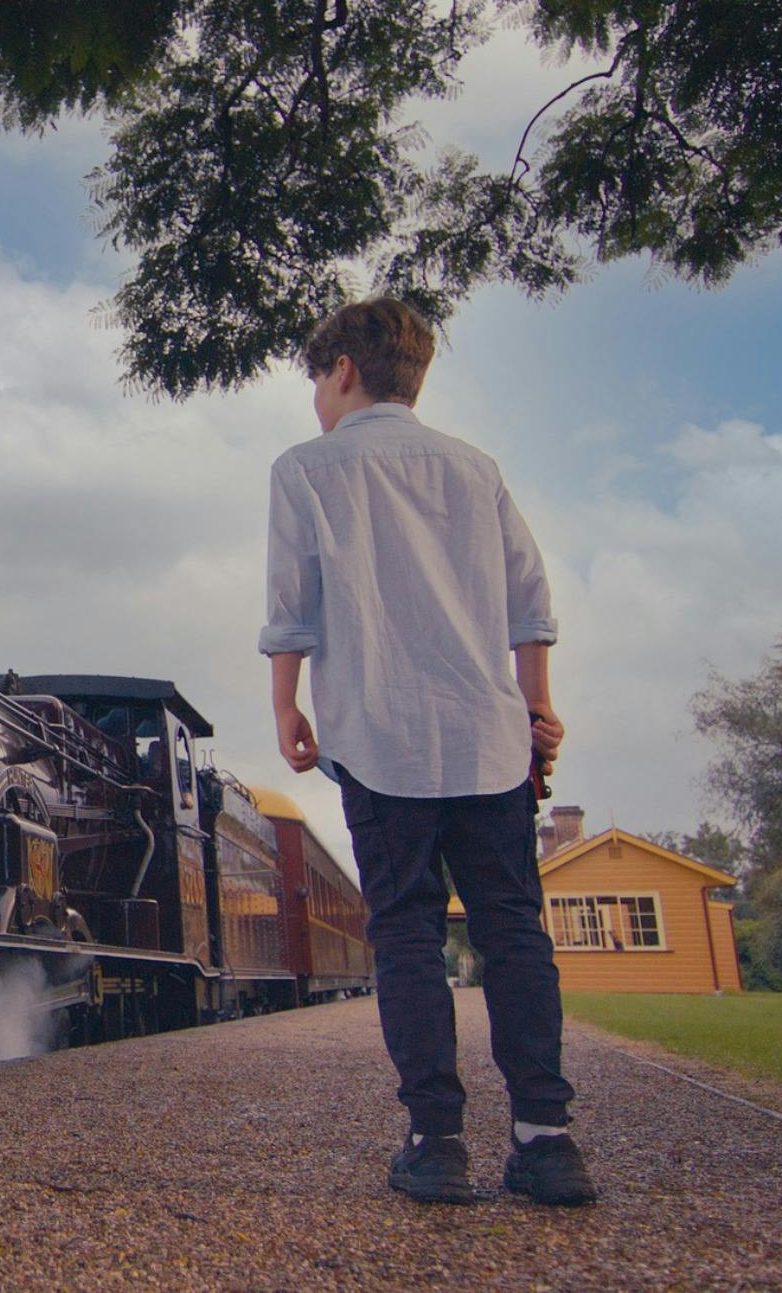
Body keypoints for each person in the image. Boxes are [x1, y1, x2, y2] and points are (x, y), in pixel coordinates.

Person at [258, 298, 598, 1207]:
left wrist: (286, 705)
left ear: (339, 371)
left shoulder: (307, 469)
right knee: (512, 931)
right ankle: (546, 1139)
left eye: (315, 383)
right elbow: (531, 599)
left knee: (405, 929)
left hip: (380, 737)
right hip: (488, 737)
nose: (315, 403)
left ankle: (437, 1141)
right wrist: (540, 705)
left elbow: (292, 604)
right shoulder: (474, 467)